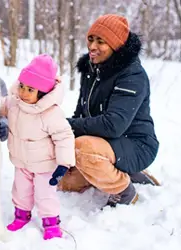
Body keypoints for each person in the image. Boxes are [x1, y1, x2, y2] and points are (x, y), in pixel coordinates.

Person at [58, 14, 160, 207]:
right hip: (104, 141)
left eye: (101, 41)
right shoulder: (91, 70)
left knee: (82, 149)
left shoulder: (132, 75)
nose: (92, 47)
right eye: (90, 39)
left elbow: (114, 125)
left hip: (136, 144)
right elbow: (81, 115)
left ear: (116, 45)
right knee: (64, 183)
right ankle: (119, 170)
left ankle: (124, 190)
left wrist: (66, 125)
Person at [0, 54, 75, 240]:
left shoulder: (51, 113)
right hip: (21, 161)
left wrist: (63, 163)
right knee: (20, 190)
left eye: (30, 90)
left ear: (42, 93)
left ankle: (51, 222)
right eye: (22, 86)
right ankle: (21, 214)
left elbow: (64, 137)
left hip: (44, 166)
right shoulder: (14, 103)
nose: (24, 92)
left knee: (45, 194)